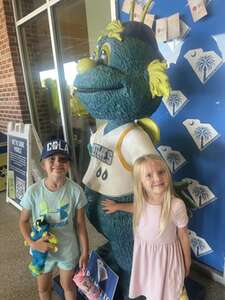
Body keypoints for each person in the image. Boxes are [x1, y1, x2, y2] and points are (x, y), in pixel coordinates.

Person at [102, 154, 191, 300]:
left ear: (167, 173)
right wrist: (117, 206)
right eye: (149, 175)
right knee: (151, 289)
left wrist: (187, 263)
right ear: (141, 182)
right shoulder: (142, 200)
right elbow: (137, 208)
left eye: (161, 172)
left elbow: (183, 236)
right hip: (146, 257)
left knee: (169, 292)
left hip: (166, 260)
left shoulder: (176, 205)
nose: (157, 178)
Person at [19, 138, 89, 300]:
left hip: (68, 249)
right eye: (52, 159)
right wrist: (32, 243)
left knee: (69, 287)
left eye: (63, 159)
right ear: (43, 165)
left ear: (69, 164)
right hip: (41, 249)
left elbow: (80, 224)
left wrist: (85, 252)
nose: (58, 163)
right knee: (44, 289)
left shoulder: (76, 191)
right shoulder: (33, 192)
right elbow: (23, 221)